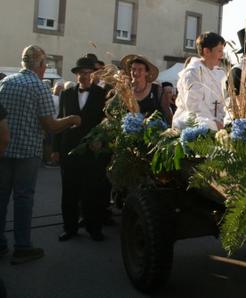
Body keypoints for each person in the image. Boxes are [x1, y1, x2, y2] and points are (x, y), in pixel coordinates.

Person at [0, 46, 81, 264]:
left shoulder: (6, 82)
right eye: (45, 64)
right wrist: (71, 119)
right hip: (27, 153)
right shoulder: (39, 87)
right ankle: (22, 246)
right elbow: (51, 125)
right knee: (23, 199)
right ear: (41, 65)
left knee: (1, 198)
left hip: (3, 150)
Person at [52, 57, 108, 242]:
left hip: (93, 150)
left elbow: (106, 123)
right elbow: (59, 120)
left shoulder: (103, 95)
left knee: (93, 191)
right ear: (75, 75)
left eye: (86, 73)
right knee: (69, 192)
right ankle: (70, 228)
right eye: (80, 74)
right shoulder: (66, 94)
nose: (83, 77)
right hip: (69, 150)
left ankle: (94, 228)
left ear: (92, 75)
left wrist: (101, 141)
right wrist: (55, 148)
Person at [173, 32, 227, 131]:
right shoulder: (192, 72)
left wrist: (225, 119)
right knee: (207, 125)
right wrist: (214, 122)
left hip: (218, 122)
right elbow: (194, 105)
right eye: (219, 51)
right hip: (192, 122)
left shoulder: (220, 74)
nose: (222, 54)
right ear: (207, 51)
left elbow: (224, 102)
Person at [120, 55, 168, 119]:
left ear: (146, 72)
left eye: (140, 69)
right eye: (133, 69)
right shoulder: (124, 89)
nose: (136, 73)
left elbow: (166, 113)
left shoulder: (157, 90)